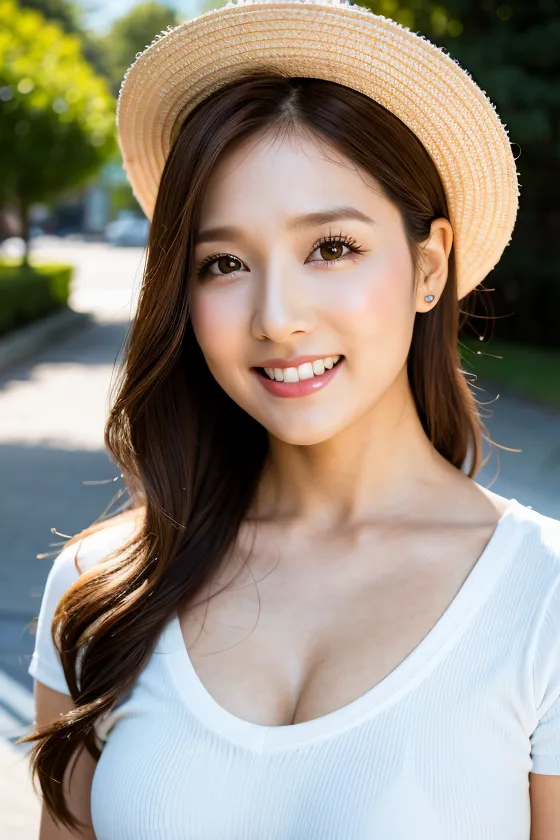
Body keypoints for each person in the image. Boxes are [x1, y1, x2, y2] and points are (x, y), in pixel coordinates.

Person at [20, 1, 560, 838]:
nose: (278, 317)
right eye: (225, 263)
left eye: (332, 248)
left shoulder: (543, 599)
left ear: (428, 266)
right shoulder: (107, 590)